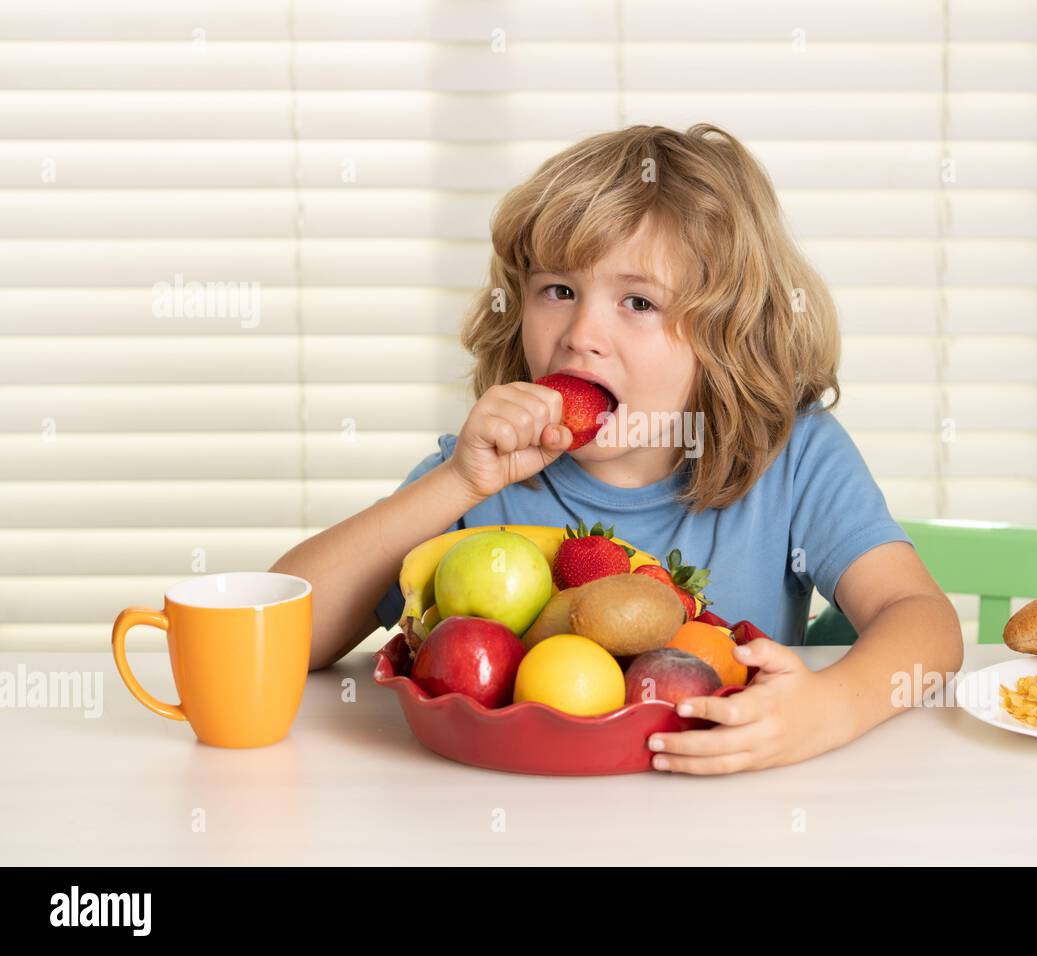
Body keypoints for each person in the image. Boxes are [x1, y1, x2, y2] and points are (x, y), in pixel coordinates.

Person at [270, 124, 963, 774]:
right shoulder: (480, 477)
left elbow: (925, 624)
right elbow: (277, 638)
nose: (581, 333)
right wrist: (456, 483)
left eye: (638, 302)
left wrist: (827, 710)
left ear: (729, 334)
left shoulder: (793, 456)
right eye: (559, 290)